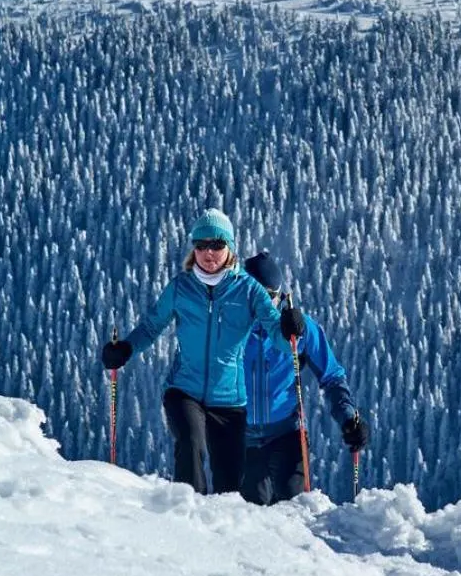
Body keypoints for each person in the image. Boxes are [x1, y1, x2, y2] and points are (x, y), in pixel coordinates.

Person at [100, 209, 306, 495]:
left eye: (217, 245)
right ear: (193, 249)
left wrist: (291, 329)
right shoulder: (181, 288)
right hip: (184, 389)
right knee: (190, 444)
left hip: (230, 401)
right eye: (201, 245)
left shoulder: (248, 291)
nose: (209, 253)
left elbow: (280, 338)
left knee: (230, 488)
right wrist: (125, 348)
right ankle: (188, 513)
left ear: (230, 247)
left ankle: (219, 525)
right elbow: (150, 327)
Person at [240, 251, 369, 505]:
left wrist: (348, 417)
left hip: (286, 434)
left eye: (268, 296)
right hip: (241, 439)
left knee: (292, 508)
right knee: (249, 515)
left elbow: (332, 377)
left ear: (279, 296)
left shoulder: (299, 330)